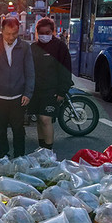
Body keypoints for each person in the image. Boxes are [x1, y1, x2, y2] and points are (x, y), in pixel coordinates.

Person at [0, 16, 36, 159]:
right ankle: (2, 156)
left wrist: (28, 93)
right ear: (2, 31)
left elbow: (30, 72)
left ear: (19, 31)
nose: (11, 37)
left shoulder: (24, 47)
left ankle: (19, 157)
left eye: (14, 34)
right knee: (0, 130)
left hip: (18, 97)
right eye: (8, 34)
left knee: (18, 129)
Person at [29, 17, 72, 149]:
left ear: (52, 32)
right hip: (36, 90)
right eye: (41, 32)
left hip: (51, 90)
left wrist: (62, 91)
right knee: (39, 120)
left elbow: (66, 70)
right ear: (37, 32)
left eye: (47, 32)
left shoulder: (60, 47)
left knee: (45, 119)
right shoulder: (33, 47)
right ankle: (42, 149)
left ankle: (48, 152)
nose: (44, 35)